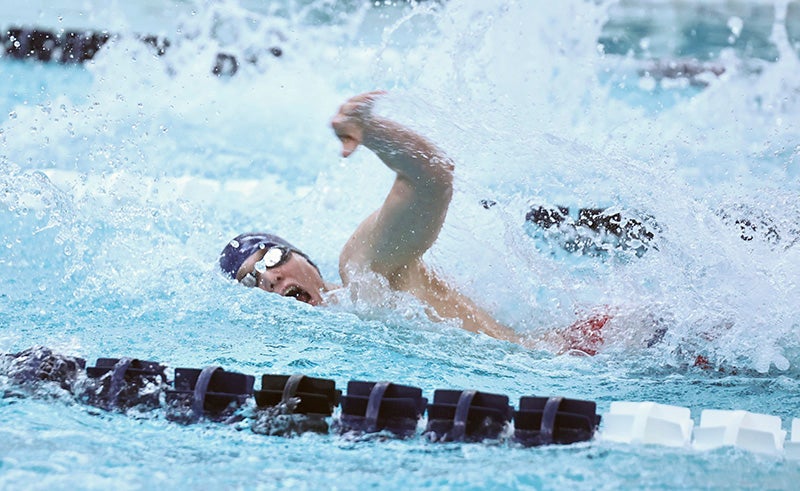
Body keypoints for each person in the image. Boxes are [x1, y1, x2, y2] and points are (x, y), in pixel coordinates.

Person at [219, 91, 602, 352]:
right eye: (252, 281)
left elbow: (430, 181)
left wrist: (372, 133)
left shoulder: (366, 273)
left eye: (270, 259)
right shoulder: (331, 334)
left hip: (578, 356)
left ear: (302, 258)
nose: (268, 278)